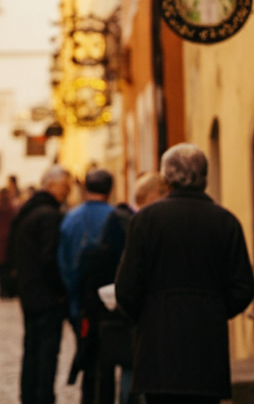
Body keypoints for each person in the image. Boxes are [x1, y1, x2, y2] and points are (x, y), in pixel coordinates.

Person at [115, 144, 254, 404]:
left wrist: (150, 313)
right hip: (207, 346)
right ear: (205, 177)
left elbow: (126, 289)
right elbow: (243, 287)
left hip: (158, 344)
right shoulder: (225, 222)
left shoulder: (145, 220)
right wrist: (213, 310)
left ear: (166, 178)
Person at [74, 172, 165, 404]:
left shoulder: (121, 218)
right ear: (154, 195)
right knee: (130, 368)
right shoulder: (125, 220)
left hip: (132, 308)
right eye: (164, 195)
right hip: (127, 310)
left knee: (132, 368)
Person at [7, 165, 72, 404]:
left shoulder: (29, 211)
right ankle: (42, 397)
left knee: (32, 348)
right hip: (45, 296)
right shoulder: (48, 215)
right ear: (53, 185)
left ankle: (29, 396)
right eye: (66, 186)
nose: (68, 191)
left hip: (29, 292)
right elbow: (49, 258)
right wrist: (60, 291)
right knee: (46, 352)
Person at [58, 170, 116, 402]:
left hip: (80, 303)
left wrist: (73, 293)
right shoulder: (115, 217)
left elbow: (63, 263)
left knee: (86, 353)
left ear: (85, 189)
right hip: (110, 304)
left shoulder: (71, 218)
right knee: (108, 359)